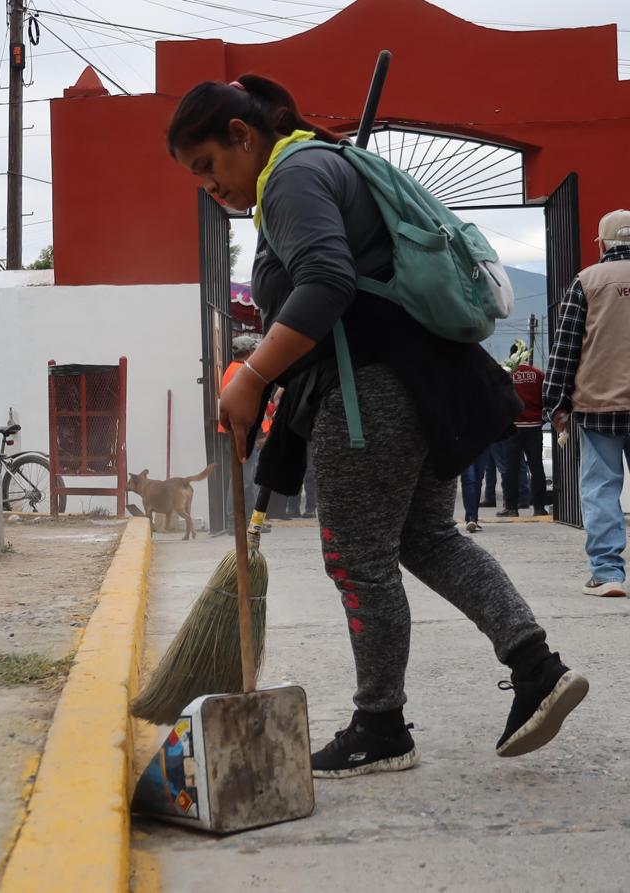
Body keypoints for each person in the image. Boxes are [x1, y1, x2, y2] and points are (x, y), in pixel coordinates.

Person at [167, 74, 588, 777]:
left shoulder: (290, 177)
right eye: (197, 179)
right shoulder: (321, 164)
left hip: (369, 395)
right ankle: (537, 667)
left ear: (242, 135)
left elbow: (326, 282)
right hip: (418, 382)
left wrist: (252, 374)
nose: (211, 188)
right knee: (426, 538)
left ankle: (380, 724)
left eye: (209, 166)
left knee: (357, 558)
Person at [544, 209, 630, 597]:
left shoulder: (587, 281)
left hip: (598, 406)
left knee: (601, 490)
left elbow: (565, 350)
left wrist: (556, 402)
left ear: (603, 243)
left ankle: (607, 573)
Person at [218, 334, 266, 533]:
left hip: (236, 430)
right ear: (248, 352)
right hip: (242, 432)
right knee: (244, 479)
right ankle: (238, 520)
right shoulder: (243, 372)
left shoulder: (232, 370)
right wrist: (260, 433)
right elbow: (251, 405)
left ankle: (245, 520)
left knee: (242, 477)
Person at [499, 342, 549, 518]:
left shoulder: (507, 374)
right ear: (527, 356)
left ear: (511, 355)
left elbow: (502, 399)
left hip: (513, 427)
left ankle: (511, 507)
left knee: (511, 469)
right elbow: (546, 397)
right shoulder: (538, 375)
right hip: (534, 427)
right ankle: (539, 507)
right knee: (536, 468)